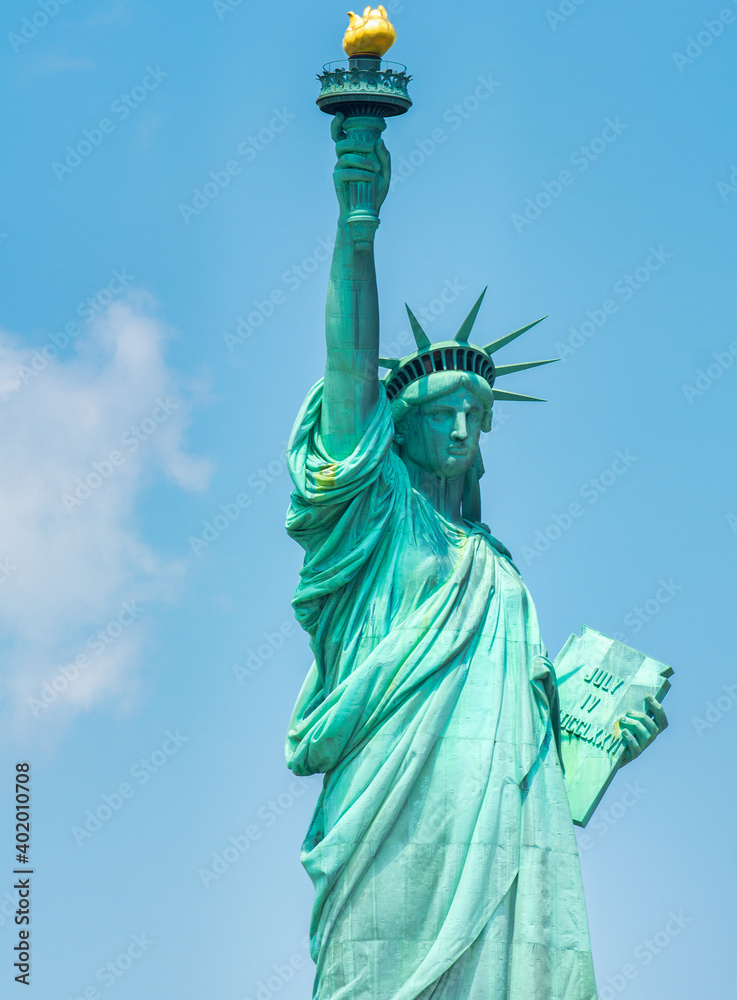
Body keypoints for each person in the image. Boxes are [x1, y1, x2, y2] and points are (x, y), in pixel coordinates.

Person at [284, 113, 667, 1000]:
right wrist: (357, 223)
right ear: (396, 426)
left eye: (474, 414)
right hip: (396, 814)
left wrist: (597, 739)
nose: (458, 427)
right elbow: (347, 373)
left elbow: (534, 736)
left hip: (504, 820)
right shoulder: (374, 526)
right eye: (438, 411)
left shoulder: (497, 569)